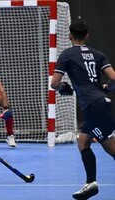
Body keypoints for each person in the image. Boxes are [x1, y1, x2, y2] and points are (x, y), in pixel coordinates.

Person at [51, 20, 115, 200]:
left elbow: (54, 83)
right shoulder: (99, 54)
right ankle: (91, 183)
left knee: (105, 146)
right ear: (87, 36)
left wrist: (64, 87)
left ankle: (91, 182)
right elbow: (114, 79)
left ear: (70, 35)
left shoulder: (67, 54)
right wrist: (106, 88)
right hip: (102, 101)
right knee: (84, 141)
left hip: (91, 105)